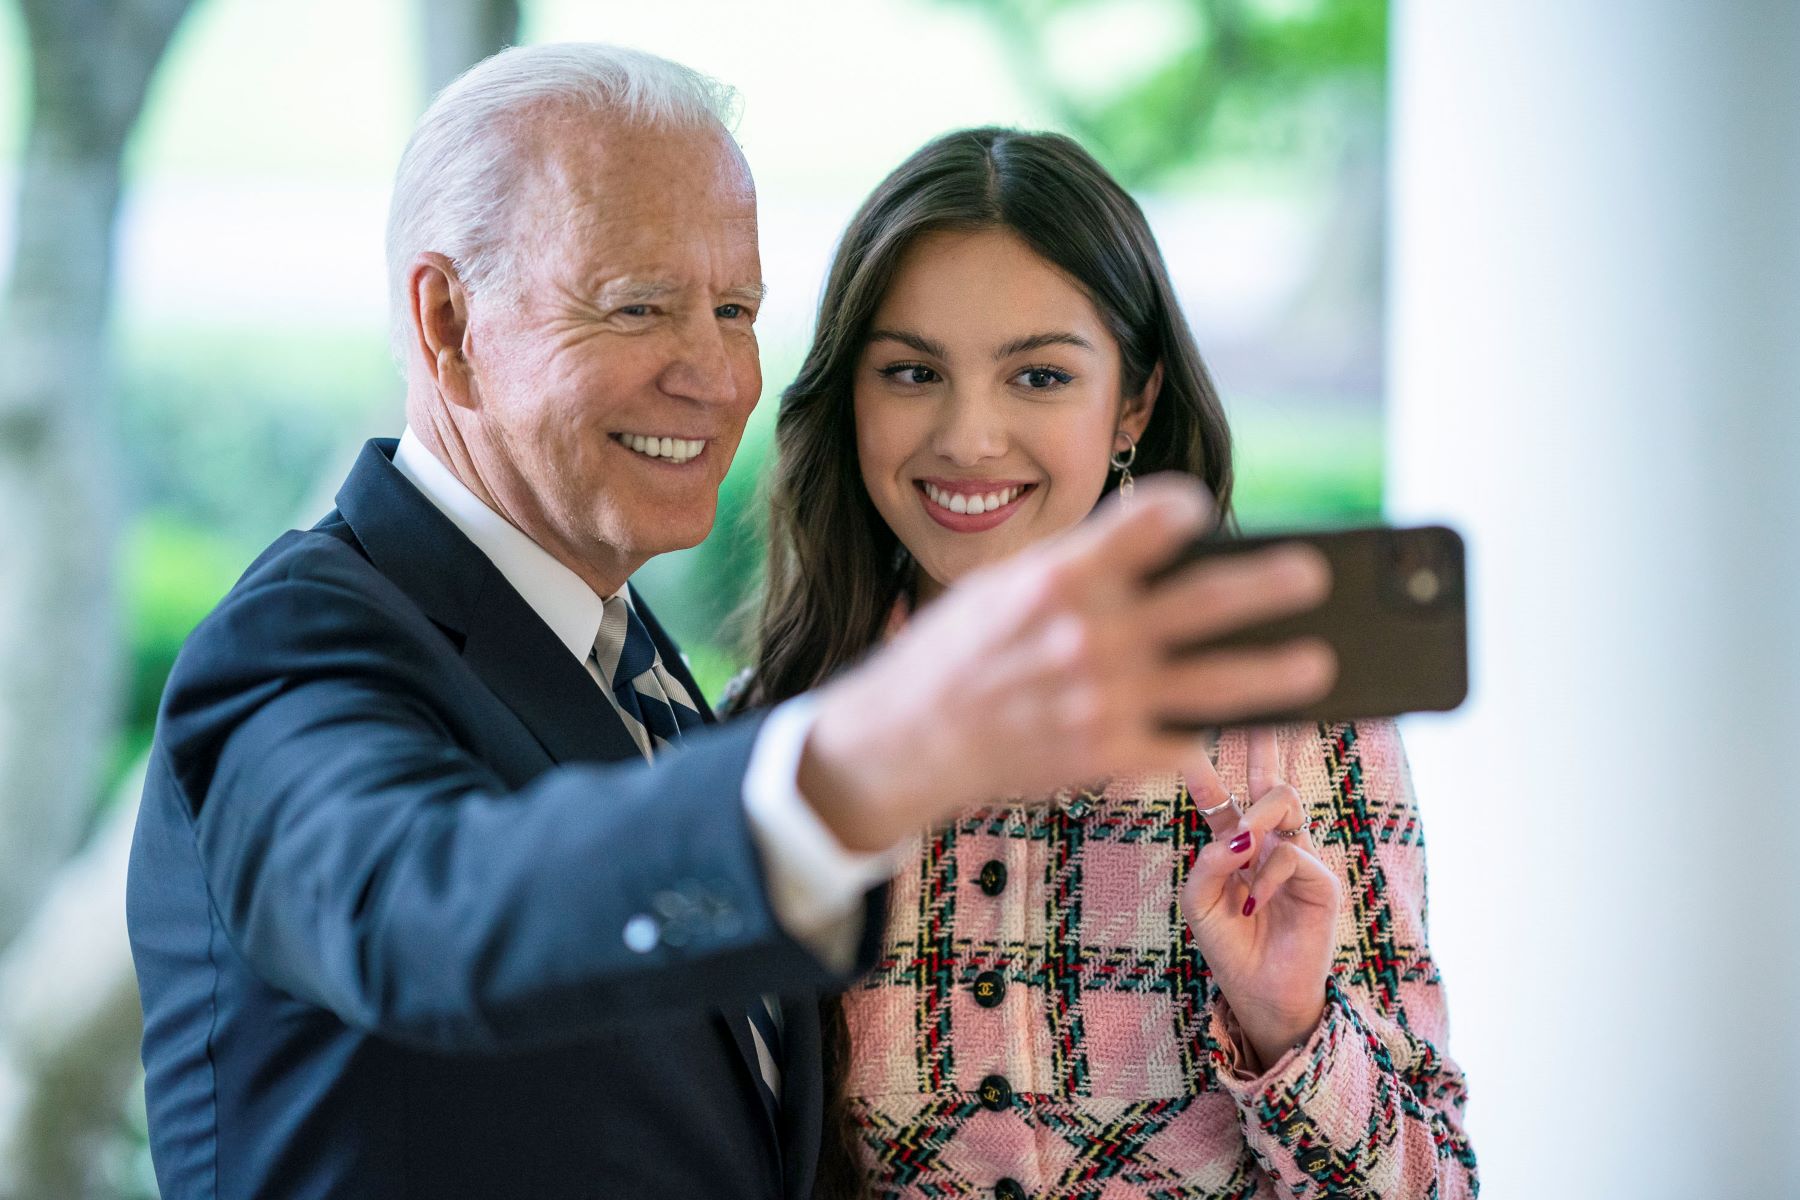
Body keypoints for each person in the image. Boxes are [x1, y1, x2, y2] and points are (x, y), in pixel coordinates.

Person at [125, 46, 1339, 1200]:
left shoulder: (629, 659)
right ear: (448, 326)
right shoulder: (293, 648)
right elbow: (418, 906)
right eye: (640, 307)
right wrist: (860, 762)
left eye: (737, 310)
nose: (713, 376)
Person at [735, 128, 1479, 1198]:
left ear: (1133, 401)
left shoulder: (1304, 724)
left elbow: (1436, 1185)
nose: (969, 436)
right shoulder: (779, 744)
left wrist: (1292, 1027)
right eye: (912, 372)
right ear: (851, 395)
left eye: (1038, 374)